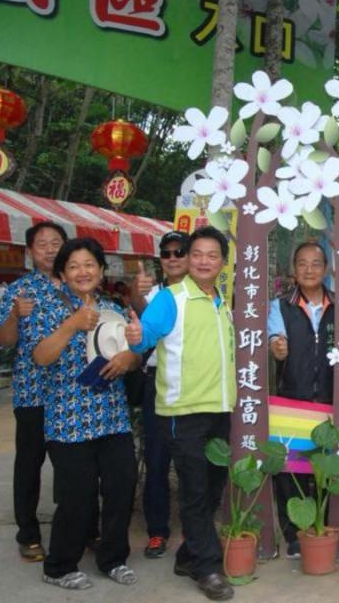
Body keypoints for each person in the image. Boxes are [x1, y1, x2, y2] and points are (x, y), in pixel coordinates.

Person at [126, 226, 236, 601]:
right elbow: (143, 338)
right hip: (183, 411)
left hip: (220, 410)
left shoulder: (223, 302)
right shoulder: (171, 298)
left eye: (213, 255)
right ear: (188, 260)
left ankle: (188, 555)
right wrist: (134, 333)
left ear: (222, 263)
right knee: (194, 490)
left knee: (214, 487)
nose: (205, 261)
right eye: (198, 254)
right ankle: (208, 568)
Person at [31, 238, 140, 590]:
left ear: (101, 270)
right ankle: (59, 565)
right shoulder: (47, 308)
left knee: (121, 488)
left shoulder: (114, 309)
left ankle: (113, 558)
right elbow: (40, 358)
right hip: (68, 421)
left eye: (90, 264)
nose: (83, 271)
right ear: (62, 273)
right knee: (76, 496)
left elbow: (131, 354)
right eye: (74, 265)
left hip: (112, 417)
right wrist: (71, 325)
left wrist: (131, 357)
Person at [0, 221, 68, 560]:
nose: (50, 249)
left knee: (74, 467)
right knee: (29, 465)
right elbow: (4, 339)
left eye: (56, 242)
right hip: (33, 394)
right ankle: (28, 533)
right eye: (42, 244)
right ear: (30, 252)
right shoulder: (19, 290)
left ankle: (82, 527)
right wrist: (13, 315)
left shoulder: (79, 285)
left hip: (74, 397)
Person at [267, 242, 335, 559]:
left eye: (316, 263)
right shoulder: (280, 306)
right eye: (303, 264)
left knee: (328, 467)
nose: (309, 269)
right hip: (292, 398)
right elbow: (275, 339)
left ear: (327, 268)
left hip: (332, 398)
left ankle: (327, 528)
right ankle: (294, 534)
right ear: (294, 269)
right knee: (291, 471)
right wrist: (278, 346)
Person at [129, 230, 191, 560]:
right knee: (156, 458)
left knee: (192, 461)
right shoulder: (153, 294)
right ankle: (157, 531)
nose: (172, 258)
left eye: (179, 251)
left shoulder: (206, 294)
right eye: (166, 253)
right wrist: (137, 298)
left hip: (197, 384)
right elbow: (142, 327)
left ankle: (196, 531)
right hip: (158, 382)